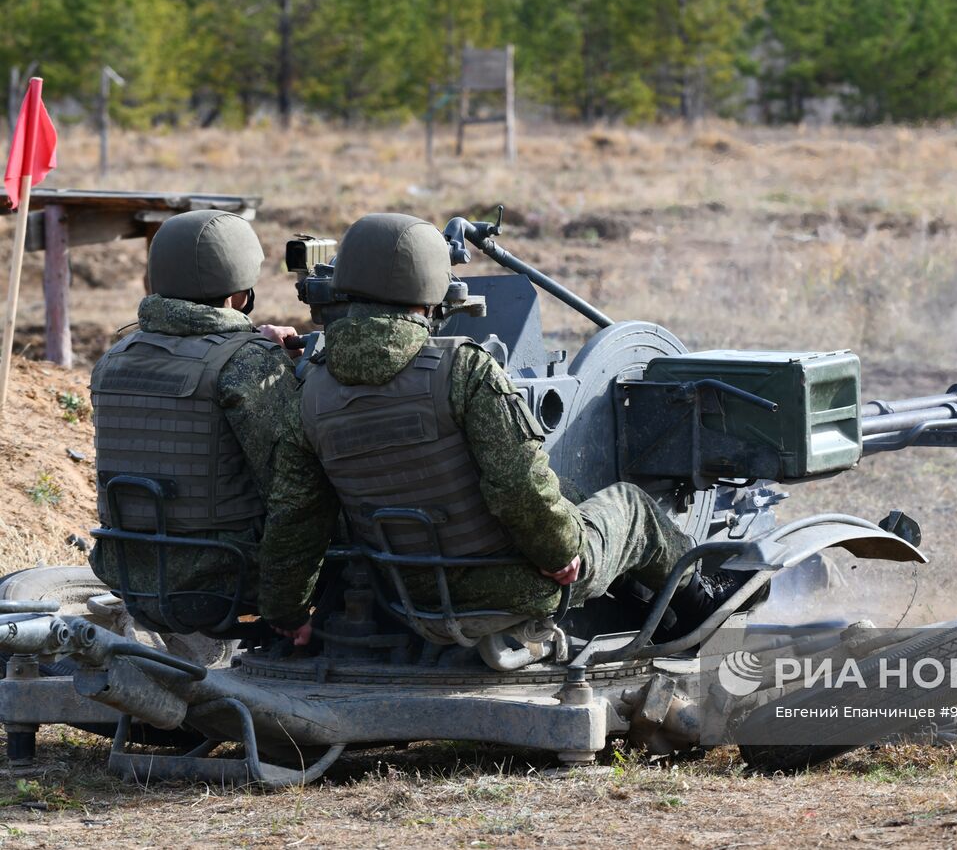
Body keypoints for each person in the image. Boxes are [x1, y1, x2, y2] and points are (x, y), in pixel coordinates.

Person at [258, 212, 729, 645]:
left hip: (404, 596)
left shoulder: (313, 390)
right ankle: (702, 612)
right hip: (515, 589)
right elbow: (516, 484)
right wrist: (558, 551)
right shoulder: (462, 370)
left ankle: (643, 602)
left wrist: (288, 611)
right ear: (430, 290)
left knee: (571, 491)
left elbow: (295, 517)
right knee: (631, 506)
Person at [88, 209, 301, 631]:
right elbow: (291, 489)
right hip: (224, 576)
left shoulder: (113, 360)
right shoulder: (246, 363)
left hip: (129, 572)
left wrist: (252, 347)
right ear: (240, 295)